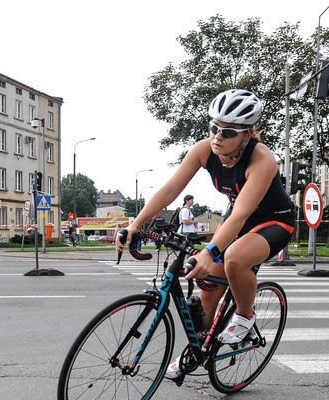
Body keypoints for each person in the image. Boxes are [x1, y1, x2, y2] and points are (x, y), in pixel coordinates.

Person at [116, 89, 295, 380]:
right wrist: (135, 225)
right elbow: (170, 190)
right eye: (213, 127)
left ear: (247, 135)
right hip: (237, 217)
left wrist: (210, 250)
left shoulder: (262, 159)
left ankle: (245, 315)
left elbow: (241, 216)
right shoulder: (203, 150)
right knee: (208, 286)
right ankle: (194, 349)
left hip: (273, 221)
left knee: (235, 258)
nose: (217, 137)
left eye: (227, 132)